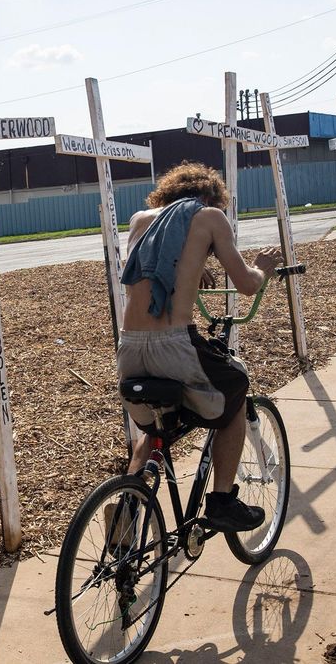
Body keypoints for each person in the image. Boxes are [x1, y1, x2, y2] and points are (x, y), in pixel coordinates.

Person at [117, 161, 282, 532]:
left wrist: (194, 269)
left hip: (129, 348)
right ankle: (223, 500)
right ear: (210, 197)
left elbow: (155, 263)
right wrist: (263, 267)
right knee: (235, 390)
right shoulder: (210, 217)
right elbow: (247, 284)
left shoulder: (140, 219)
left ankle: (127, 515)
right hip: (174, 345)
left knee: (155, 430)